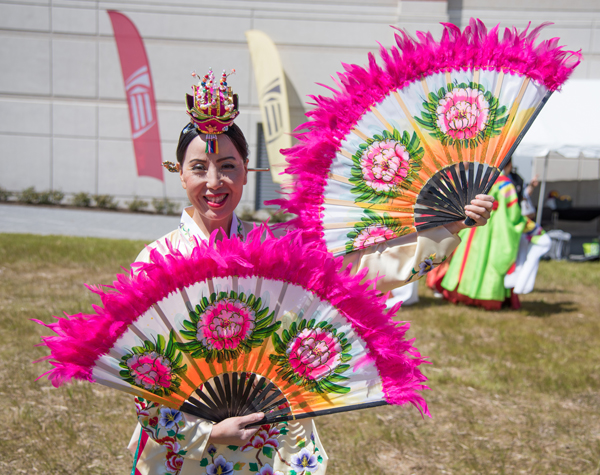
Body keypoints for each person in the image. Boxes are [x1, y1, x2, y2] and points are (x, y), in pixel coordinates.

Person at [127, 68, 494, 475]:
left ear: (247, 170)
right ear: (179, 173)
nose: (215, 182)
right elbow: (142, 372)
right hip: (185, 450)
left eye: (228, 166)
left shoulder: (275, 247)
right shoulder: (154, 262)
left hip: (269, 439)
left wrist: (452, 226)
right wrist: (207, 433)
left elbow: (364, 268)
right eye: (199, 168)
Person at [440, 160, 527, 310]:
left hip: (472, 227)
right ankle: (485, 296)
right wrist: (524, 223)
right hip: (493, 230)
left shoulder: (480, 181)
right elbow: (514, 215)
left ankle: (462, 293)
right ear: (509, 165)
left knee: (467, 259)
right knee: (488, 259)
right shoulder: (506, 185)